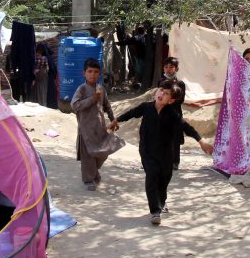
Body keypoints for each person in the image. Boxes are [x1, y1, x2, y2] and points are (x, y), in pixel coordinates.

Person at [109, 80, 213, 225]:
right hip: (147, 150)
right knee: (151, 177)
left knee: (163, 180)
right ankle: (155, 211)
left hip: (166, 153)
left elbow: (186, 127)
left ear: (171, 100)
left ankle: (161, 202)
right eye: (160, 90)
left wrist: (201, 141)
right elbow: (131, 113)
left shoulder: (172, 114)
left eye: (166, 94)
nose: (161, 94)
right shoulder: (146, 107)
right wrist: (116, 120)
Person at [71, 58, 125, 191]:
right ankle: (89, 180)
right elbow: (75, 105)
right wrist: (91, 99)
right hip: (86, 130)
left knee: (103, 152)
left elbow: (107, 106)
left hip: (100, 128)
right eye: (90, 71)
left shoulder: (101, 89)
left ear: (99, 74)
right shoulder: (82, 89)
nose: (93, 74)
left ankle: (94, 172)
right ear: (84, 73)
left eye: (96, 72)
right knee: (88, 156)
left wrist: (113, 119)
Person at [156, 57, 186, 170]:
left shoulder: (181, 84)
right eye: (166, 67)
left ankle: (175, 162)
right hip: (162, 113)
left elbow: (181, 100)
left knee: (175, 139)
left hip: (175, 114)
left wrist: (170, 99)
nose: (168, 70)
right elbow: (158, 96)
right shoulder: (161, 82)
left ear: (176, 69)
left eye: (171, 67)